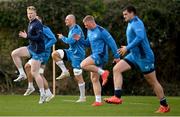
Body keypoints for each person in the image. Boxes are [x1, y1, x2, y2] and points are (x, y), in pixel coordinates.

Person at [104, 5, 170, 113]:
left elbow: (140, 37)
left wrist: (127, 47)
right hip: (134, 55)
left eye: (125, 14)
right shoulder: (130, 23)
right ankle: (117, 97)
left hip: (144, 57)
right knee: (117, 69)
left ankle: (164, 105)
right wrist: (127, 48)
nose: (124, 17)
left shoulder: (137, 23)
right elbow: (134, 40)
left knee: (152, 82)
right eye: (123, 15)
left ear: (132, 13)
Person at [79, 15, 120, 106]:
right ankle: (98, 101)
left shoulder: (102, 31)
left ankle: (103, 73)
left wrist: (117, 56)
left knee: (83, 65)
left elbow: (112, 43)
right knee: (94, 79)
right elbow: (88, 44)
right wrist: (80, 40)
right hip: (95, 55)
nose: (85, 27)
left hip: (100, 56)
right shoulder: (89, 31)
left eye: (86, 25)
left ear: (91, 22)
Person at [11, 6, 46, 104]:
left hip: (38, 51)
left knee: (35, 73)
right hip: (31, 48)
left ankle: (43, 94)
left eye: (31, 13)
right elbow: (32, 38)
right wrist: (28, 37)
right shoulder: (30, 23)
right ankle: (22, 74)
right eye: (28, 13)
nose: (29, 15)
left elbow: (40, 37)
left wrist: (27, 36)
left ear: (35, 13)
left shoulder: (38, 24)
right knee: (14, 53)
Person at [51, 14, 86, 102]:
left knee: (77, 74)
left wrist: (63, 38)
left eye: (67, 19)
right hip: (70, 52)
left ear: (72, 20)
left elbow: (72, 41)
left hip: (78, 54)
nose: (65, 21)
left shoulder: (77, 29)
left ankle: (82, 97)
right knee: (55, 54)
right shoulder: (71, 29)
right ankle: (65, 71)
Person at [23, 16, 57, 103]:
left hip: (42, 54)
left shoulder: (45, 29)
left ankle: (32, 87)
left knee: (32, 70)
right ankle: (48, 93)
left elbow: (54, 39)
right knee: (38, 73)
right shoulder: (36, 29)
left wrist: (44, 47)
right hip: (39, 53)